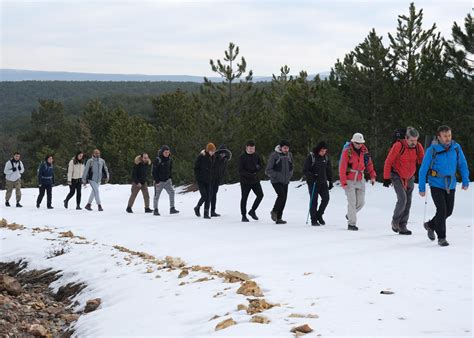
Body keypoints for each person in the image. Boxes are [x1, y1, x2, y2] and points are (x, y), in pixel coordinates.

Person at [418, 125, 469, 247]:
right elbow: (423, 169)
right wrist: (421, 187)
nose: (448, 138)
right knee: (442, 210)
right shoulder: (432, 150)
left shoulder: (456, 148)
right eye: (445, 136)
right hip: (436, 183)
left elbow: (462, 164)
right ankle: (442, 237)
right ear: (439, 137)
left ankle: (430, 225)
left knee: (449, 211)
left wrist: (465, 180)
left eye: (449, 135)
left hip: (450, 184)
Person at [383, 127, 424, 235]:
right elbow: (388, 161)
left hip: (410, 177)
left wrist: (426, 171)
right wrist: (386, 178)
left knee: (408, 202)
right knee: (402, 199)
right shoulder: (398, 146)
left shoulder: (418, 147)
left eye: (416, 140)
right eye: (411, 140)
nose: (414, 143)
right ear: (406, 138)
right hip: (397, 176)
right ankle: (395, 222)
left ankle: (403, 226)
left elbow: (422, 161)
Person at [339, 133, 376, 231]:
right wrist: (343, 182)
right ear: (353, 142)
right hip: (349, 179)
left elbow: (369, 164)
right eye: (357, 143)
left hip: (360, 179)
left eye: (361, 143)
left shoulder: (365, 151)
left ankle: (350, 214)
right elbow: (342, 167)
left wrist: (372, 176)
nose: (359, 145)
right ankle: (351, 224)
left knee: (361, 202)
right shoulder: (348, 151)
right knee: (352, 202)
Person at [303, 141, 333, 226]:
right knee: (314, 201)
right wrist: (312, 176)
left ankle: (319, 215)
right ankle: (313, 219)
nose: (323, 153)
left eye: (325, 151)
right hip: (313, 183)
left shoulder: (326, 158)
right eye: (322, 151)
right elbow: (305, 170)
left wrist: (330, 181)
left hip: (323, 182)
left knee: (326, 199)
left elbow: (328, 170)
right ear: (318, 150)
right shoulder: (311, 157)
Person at [265, 140, 294, 224]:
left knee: (284, 198)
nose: (286, 149)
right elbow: (268, 170)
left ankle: (279, 218)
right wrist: (277, 176)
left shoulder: (289, 155)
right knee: (281, 195)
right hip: (276, 181)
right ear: (280, 147)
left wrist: (289, 175)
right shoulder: (274, 155)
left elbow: (292, 167)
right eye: (284, 148)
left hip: (285, 180)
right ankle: (274, 211)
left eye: (287, 148)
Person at [239, 140, 264, 222]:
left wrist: (258, 168)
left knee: (260, 195)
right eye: (250, 148)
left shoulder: (256, 156)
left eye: (253, 148)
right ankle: (243, 215)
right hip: (245, 181)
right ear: (246, 147)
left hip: (255, 180)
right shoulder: (242, 157)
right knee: (244, 198)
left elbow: (261, 165)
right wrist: (250, 174)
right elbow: (240, 170)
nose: (251, 150)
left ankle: (252, 211)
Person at [152, 145, 179, 216]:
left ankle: (172, 208)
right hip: (159, 182)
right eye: (165, 152)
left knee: (172, 192)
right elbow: (154, 172)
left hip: (167, 181)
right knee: (156, 196)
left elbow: (170, 169)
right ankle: (155, 210)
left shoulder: (170, 159)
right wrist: (157, 181)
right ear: (162, 152)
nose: (167, 154)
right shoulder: (158, 160)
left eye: (168, 152)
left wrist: (170, 178)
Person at [194, 143, 216, 219]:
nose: (213, 152)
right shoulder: (201, 156)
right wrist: (199, 176)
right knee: (204, 196)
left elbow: (212, 168)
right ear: (207, 150)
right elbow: (196, 168)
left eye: (213, 151)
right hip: (201, 180)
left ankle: (206, 213)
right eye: (211, 151)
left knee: (209, 196)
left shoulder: (213, 157)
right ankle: (197, 207)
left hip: (208, 180)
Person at [210, 144, 232, 217]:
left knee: (214, 195)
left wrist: (220, 179)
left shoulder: (225, 160)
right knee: (208, 195)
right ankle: (201, 208)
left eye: (224, 153)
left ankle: (212, 211)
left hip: (217, 180)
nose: (223, 154)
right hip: (210, 179)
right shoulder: (214, 158)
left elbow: (223, 171)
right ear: (219, 153)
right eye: (221, 153)